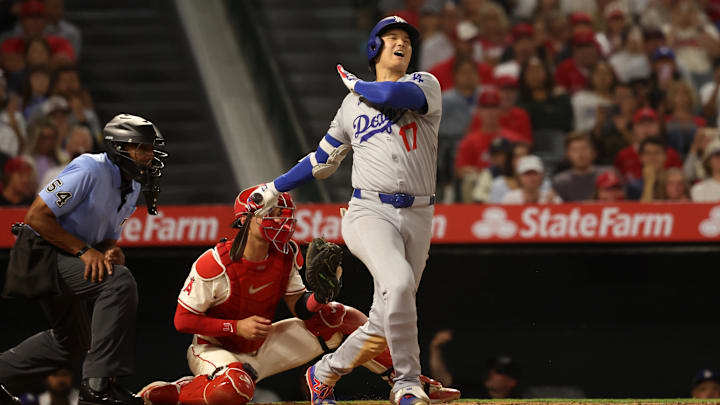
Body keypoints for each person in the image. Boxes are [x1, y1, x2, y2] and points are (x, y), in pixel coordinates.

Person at [248, 16, 442, 405]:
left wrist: (355, 81)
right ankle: (406, 383)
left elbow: (388, 98)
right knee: (399, 284)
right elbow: (321, 161)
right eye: (391, 38)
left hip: (420, 214)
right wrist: (273, 187)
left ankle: (323, 373)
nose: (401, 43)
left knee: (387, 320)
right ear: (374, 48)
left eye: (406, 38)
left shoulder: (423, 84)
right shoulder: (351, 105)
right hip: (369, 210)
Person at [137, 186, 459, 405]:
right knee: (234, 390)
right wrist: (236, 328)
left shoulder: (285, 253)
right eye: (273, 212)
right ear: (246, 219)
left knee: (339, 316)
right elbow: (183, 320)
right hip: (216, 349)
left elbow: (302, 309)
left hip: (263, 344)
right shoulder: (215, 262)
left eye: (282, 211)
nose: (282, 218)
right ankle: (180, 392)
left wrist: (319, 295)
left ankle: (405, 380)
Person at [0, 114, 168, 405]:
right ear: (119, 148)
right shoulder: (90, 168)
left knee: (73, 343)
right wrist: (84, 251)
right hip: (40, 252)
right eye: (142, 148)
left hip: (68, 254)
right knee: (118, 284)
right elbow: (37, 216)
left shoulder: (134, 186)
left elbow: (106, 239)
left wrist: (110, 251)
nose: (149, 155)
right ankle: (97, 387)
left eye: (151, 148)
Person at [614, 107, 682, 182]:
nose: (646, 128)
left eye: (651, 123)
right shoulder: (622, 156)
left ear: (659, 127)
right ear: (634, 128)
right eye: (641, 124)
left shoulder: (672, 154)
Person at [517, 56, 573, 133]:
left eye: (538, 71)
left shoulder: (560, 96)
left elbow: (565, 123)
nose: (535, 75)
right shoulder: (519, 100)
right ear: (523, 76)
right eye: (530, 71)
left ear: (547, 72)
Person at [552, 132, 605, 202]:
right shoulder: (560, 182)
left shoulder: (607, 175)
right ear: (567, 154)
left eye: (584, 148)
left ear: (593, 151)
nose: (580, 154)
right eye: (575, 150)